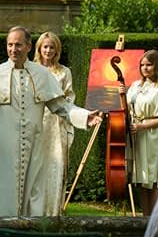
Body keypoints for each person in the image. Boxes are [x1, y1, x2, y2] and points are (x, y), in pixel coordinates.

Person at [0, 26, 102, 217]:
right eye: (10, 45)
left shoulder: (42, 74)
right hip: (4, 151)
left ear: (29, 46)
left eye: (19, 45)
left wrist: (85, 116)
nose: (14, 49)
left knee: (34, 198)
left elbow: (61, 106)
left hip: (34, 150)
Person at [119, 49, 158, 216]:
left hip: (154, 136)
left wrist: (143, 126)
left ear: (157, 66)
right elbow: (127, 110)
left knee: (154, 180)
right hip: (137, 136)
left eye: (149, 64)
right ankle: (145, 220)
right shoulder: (136, 86)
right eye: (142, 65)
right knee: (142, 181)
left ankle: (156, 222)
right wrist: (122, 94)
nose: (145, 68)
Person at [33, 31, 75, 216]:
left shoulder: (65, 72)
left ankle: (53, 212)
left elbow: (69, 98)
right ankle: (33, 212)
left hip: (56, 125)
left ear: (57, 50)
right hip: (36, 124)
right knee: (35, 167)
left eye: (52, 47)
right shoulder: (30, 69)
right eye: (45, 47)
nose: (48, 50)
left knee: (55, 166)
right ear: (39, 48)